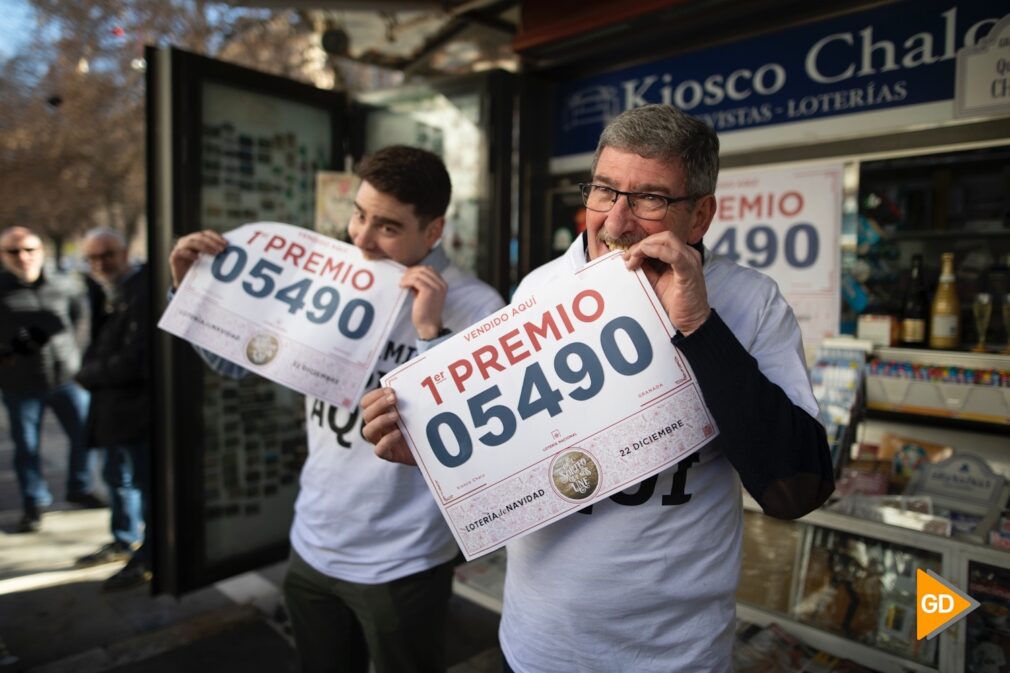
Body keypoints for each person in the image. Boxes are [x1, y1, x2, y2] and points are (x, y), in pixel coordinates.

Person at [363, 105, 835, 672]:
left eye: (651, 198)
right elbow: (512, 451)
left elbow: (795, 491)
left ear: (701, 216)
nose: (616, 222)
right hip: (537, 643)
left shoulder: (751, 301)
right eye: (605, 191)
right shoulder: (540, 286)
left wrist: (699, 327)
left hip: (675, 657)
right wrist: (436, 455)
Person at [169, 146, 505, 673]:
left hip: (405, 559)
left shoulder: (479, 306)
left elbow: (474, 441)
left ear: (433, 231)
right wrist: (195, 289)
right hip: (313, 541)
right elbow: (235, 364)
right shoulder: (335, 272)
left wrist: (428, 335)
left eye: (388, 227)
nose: (362, 238)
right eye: (359, 214)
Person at [0, 226, 100, 534]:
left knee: (86, 435)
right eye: (14, 251)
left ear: (41, 251)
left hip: (66, 379)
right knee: (27, 447)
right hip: (20, 384)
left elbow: (80, 322)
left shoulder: (65, 285)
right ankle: (34, 502)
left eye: (30, 249)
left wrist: (78, 360)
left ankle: (79, 487)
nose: (23, 257)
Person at [72, 228, 153, 591]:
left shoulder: (142, 291)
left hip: (136, 412)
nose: (100, 264)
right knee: (117, 478)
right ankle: (124, 540)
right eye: (92, 258)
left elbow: (137, 359)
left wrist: (88, 374)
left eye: (107, 255)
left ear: (125, 253)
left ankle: (149, 556)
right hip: (114, 412)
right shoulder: (106, 291)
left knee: (144, 483)